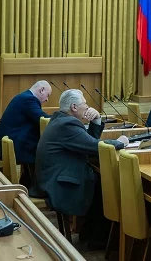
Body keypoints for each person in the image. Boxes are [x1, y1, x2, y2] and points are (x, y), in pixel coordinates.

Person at [34, 89, 128, 249]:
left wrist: (96, 120)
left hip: (51, 178)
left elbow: (86, 143)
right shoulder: (67, 125)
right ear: (74, 107)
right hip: (57, 185)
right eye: (84, 104)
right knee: (107, 186)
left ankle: (90, 234)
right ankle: (98, 238)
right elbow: (93, 146)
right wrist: (120, 143)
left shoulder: (61, 120)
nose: (87, 107)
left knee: (99, 181)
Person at [0, 80, 52, 188]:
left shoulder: (24, 97)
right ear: (41, 90)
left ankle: (28, 185)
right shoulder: (29, 99)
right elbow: (42, 119)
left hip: (8, 140)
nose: (47, 99)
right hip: (14, 143)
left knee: (40, 146)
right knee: (44, 151)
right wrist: (62, 117)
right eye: (47, 95)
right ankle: (34, 188)